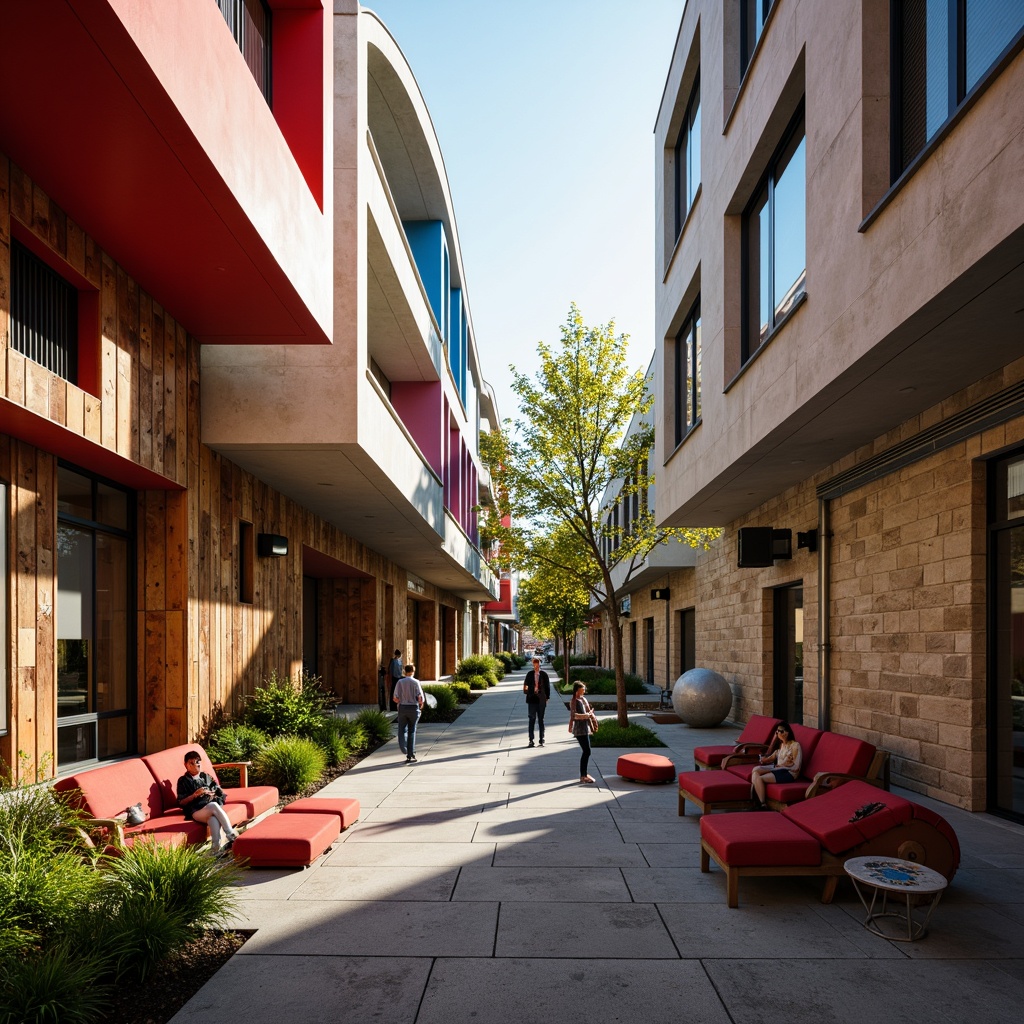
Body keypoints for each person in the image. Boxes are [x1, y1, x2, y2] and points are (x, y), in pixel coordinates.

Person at [177, 750, 239, 855]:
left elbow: (219, 791)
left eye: (197, 762)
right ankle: (231, 835)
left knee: (213, 818)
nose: (195, 765)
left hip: (209, 807)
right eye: (191, 763)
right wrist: (195, 795)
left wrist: (212, 793)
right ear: (185, 765)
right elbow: (181, 802)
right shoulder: (183, 780)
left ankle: (216, 848)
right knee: (214, 806)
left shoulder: (206, 776)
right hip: (196, 811)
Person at [750, 721, 802, 809]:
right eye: (777, 731)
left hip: (789, 773)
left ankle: (762, 804)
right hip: (779, 769)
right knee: (755, 770)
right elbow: (773, 756)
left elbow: (796, 767)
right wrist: (765, 760)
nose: (778, 733)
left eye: (780, 731)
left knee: (759, 778)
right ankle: (759, 802)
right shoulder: (781, 745)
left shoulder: (795, 745)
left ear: (787, 732)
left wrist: (779, 768)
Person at [392, 663, 425, 763]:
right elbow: (420, 696)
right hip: (413, 708)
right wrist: (421, 704)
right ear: (413, 671)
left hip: (403, 708)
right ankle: (411, 753)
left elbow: (395, 698)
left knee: (401, 730)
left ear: (404, 671)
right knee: (412, 730)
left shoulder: (400, 682)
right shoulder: (416, 682)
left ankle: (404, 748)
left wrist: (401, 701)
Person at [568, 680, 597, 783]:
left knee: (587, 751)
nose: (584, 690)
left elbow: (587, 711)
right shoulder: (574, 701)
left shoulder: (583, 699)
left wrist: (591, 716)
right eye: (582, 688)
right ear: (577, 690)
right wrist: (587, 715)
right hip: (579, 730)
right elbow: (574, 715)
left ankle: (584, 774)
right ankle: (583, 775)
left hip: (585, 728)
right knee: (587, 751)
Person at [523, 656, 551, 747]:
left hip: (541, 700)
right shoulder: (530, 674)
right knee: (532, 719)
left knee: (541, 720)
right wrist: (528, 691)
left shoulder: (544, 675)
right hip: (532, 699)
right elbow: (525, 685)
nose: (536, 666)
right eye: (534, 664)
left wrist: (547, 698)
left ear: (539, 664)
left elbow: (547, 687)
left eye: (537, 664)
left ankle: (541, 739)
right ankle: (531, 740)